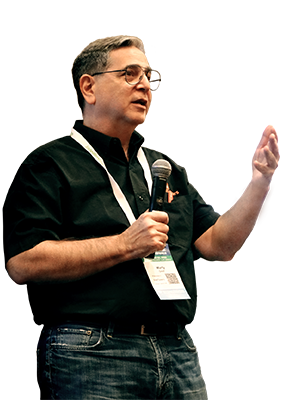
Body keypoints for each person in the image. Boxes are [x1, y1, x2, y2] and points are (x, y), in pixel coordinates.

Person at [2, 36, 279, 400]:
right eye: (130, 73)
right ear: (89, 86)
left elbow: (218, 245)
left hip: (177, 351)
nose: (145, 84)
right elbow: (23, 263)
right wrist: (123, 245)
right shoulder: (48, 165)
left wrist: (260, 183)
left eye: (150, 76)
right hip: (91, 350)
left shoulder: (165, 169)